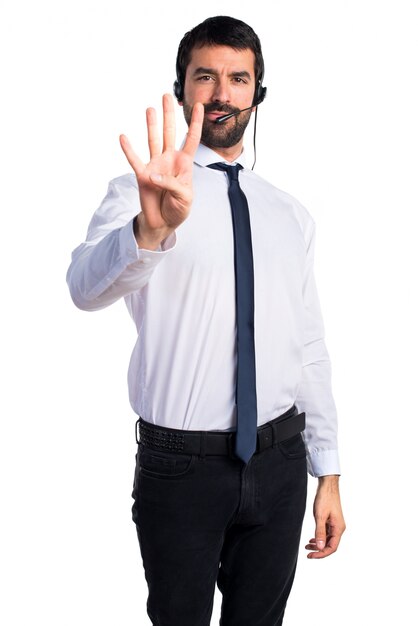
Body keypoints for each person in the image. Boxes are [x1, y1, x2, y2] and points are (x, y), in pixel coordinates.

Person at [67, 15, 345, 626]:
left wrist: (326, 468)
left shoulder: (289, 215)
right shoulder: (138, 192)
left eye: (238, 78)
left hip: (280, 461)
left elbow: (309, 345)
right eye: (206, 77)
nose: (222, 93)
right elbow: (84, 290)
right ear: (181, 87)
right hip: (181, 469)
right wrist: (150, 229)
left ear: (257, 94)